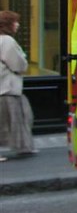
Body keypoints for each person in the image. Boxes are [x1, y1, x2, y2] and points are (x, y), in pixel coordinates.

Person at [0, 10, 37, 161]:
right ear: (7, 25)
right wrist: (24, 60)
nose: (18, 25)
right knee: (14, 118)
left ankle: (24, 146)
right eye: (14, 22)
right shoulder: (7, 41)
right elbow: (18, 64)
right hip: (6, 87)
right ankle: (23, 146)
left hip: (5, 87)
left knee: (19, 116)